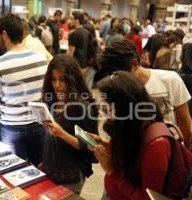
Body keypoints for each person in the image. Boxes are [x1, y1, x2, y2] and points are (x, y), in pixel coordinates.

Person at [93, 71, 190, 199]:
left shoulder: (157, 145)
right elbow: (128, 153)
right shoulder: (128, 125)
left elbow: (147, 197)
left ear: (125, 108)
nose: (104, 116)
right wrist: (105, 145)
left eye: (106, 110)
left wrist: (111, 171)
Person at [98, 40, 192, 148]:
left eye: (118, 74)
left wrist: (187, 150)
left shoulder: (170, 79)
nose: (114, 79)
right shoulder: (115, 86)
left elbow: (184, 121)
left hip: (168, 148)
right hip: (133, 151)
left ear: (134, 64)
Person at [0, 14, 48, 166]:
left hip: (12, 126)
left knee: (14, 170)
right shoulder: (40, 57)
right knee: (39, 168)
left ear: (4, 34)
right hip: (38, 123)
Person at [42, 54, 98, 194]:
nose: (57, 85)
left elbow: (90, 145)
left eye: (62, 79)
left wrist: (61, 133)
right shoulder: (52, 100)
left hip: (70, 176)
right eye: (53, 79)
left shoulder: (81, 106)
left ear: (72, 79)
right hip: (51, 170)